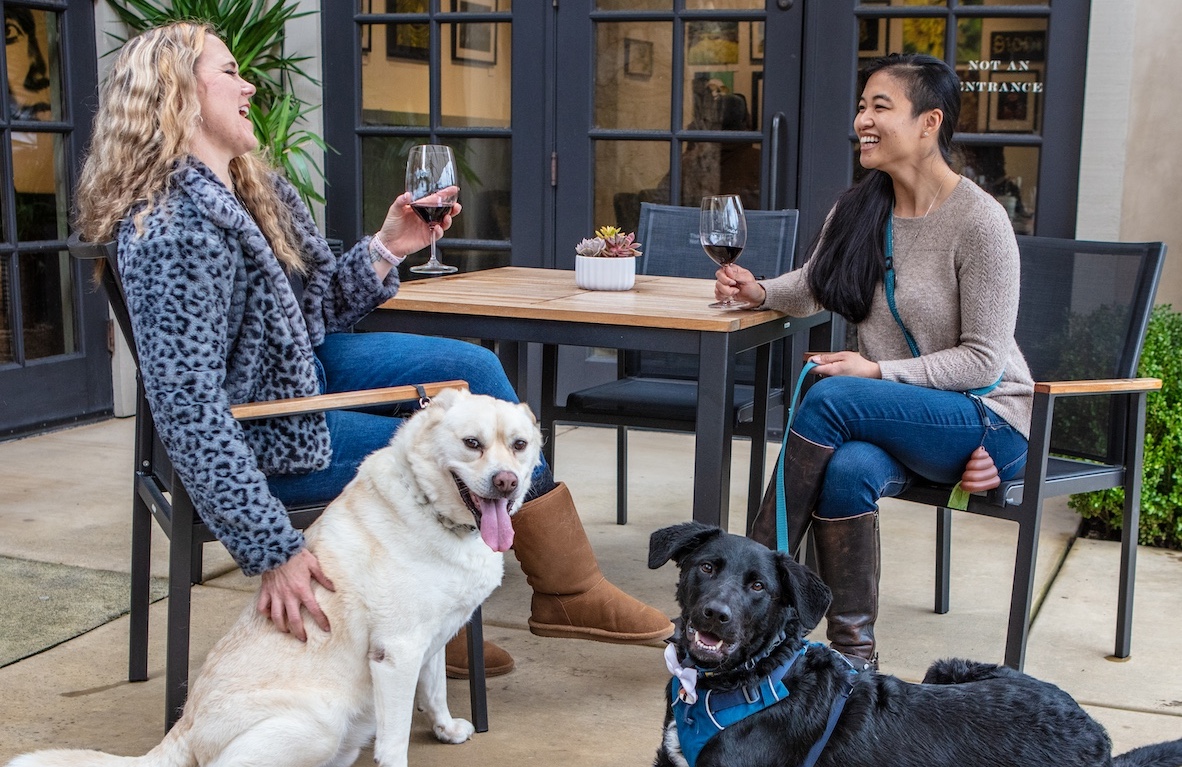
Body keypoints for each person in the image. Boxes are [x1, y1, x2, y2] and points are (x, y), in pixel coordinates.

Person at [73, 22, 672, 679]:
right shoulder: (176, 233)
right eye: (228, 71)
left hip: (290, 378)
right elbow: (190, 413)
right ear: (176, 96)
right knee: (449, 457)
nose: (249, 84)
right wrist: (273, 548)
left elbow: (317, 312)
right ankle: (424, 617)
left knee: (472, 373)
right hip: (259, 437)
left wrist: (391, 245)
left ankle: (567, 590)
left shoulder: (251, 191)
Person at [714, 53, 1033, 670]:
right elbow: (815, 282)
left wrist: (879, 372)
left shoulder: (980, 222)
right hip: (904, 419)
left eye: (879, 106)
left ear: (929, 122)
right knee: (847, 471)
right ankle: (853, 662)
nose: (862, 118)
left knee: (829, 394)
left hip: (988, 419)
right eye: (862, 106)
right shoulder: (862, 207)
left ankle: (748, 587)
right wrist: (759, 291)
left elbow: (985, 359)